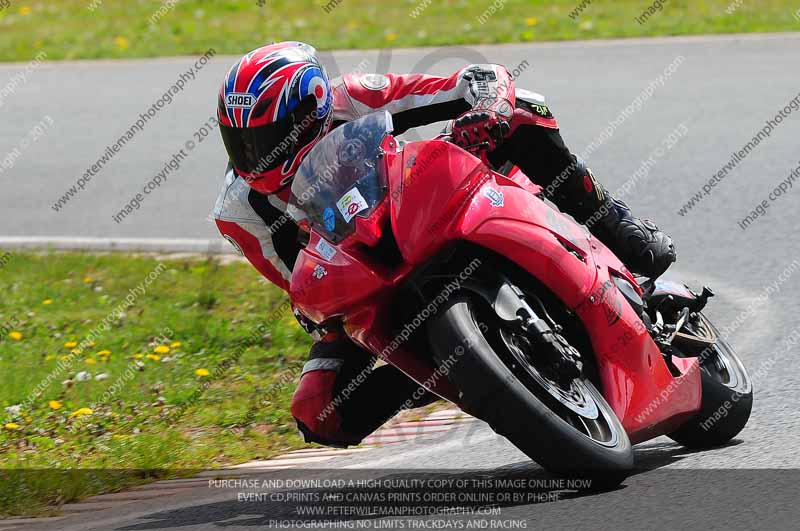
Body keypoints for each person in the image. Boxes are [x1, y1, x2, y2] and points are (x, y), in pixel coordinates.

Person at [214, 41, 676, 447]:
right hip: (358, 269)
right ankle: (453, 370)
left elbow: (476, 80)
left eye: (267, 138)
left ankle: (616, 224)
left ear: (312, 110)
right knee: (320, 413)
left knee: (523, 110)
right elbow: (294, 282)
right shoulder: (238, 211)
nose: (256, 156)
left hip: (419, 199)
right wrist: (321, 315)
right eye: (241, 142)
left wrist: (487, 110)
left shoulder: (352, 96)